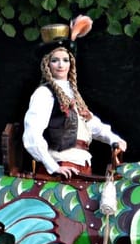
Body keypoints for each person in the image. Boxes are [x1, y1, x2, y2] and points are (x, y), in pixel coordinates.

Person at [22, 15, 126, 177]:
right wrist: (53, 166)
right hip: (61, 166)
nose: (61, 65)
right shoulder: (44, 93)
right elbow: (32, 135)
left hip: (82, 165)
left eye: (65, 60)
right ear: (47, 64)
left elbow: (90, 124)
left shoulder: (73, 93)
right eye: (55, 60)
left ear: (71, 63)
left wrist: (113, 138)